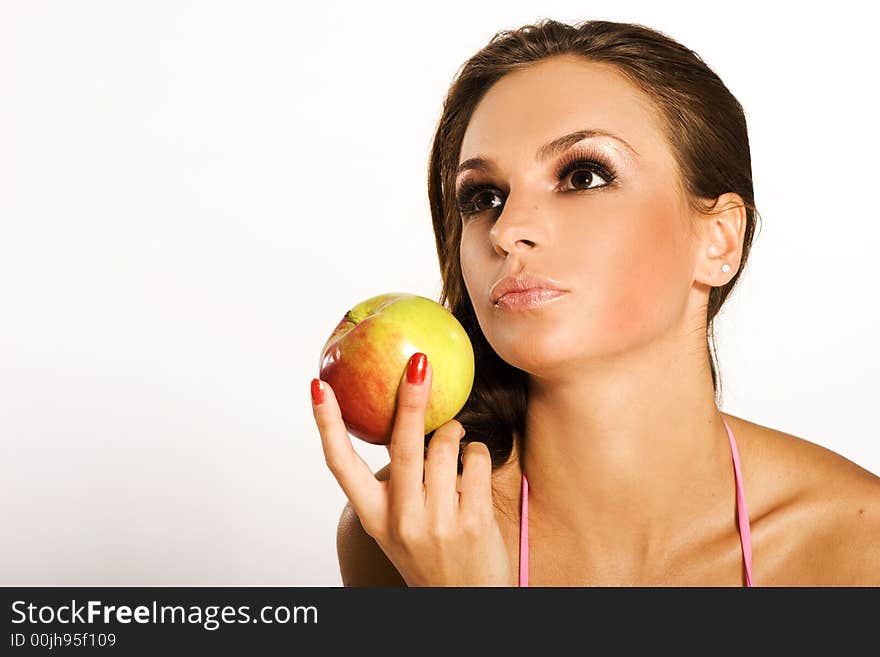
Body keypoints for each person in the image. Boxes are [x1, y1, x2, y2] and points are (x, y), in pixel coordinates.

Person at [312, 19, 880, 586]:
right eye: (483, 197)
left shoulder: (859, 540)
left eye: (583, 176)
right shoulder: (413, 530)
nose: (507, 230)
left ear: (719, 239)